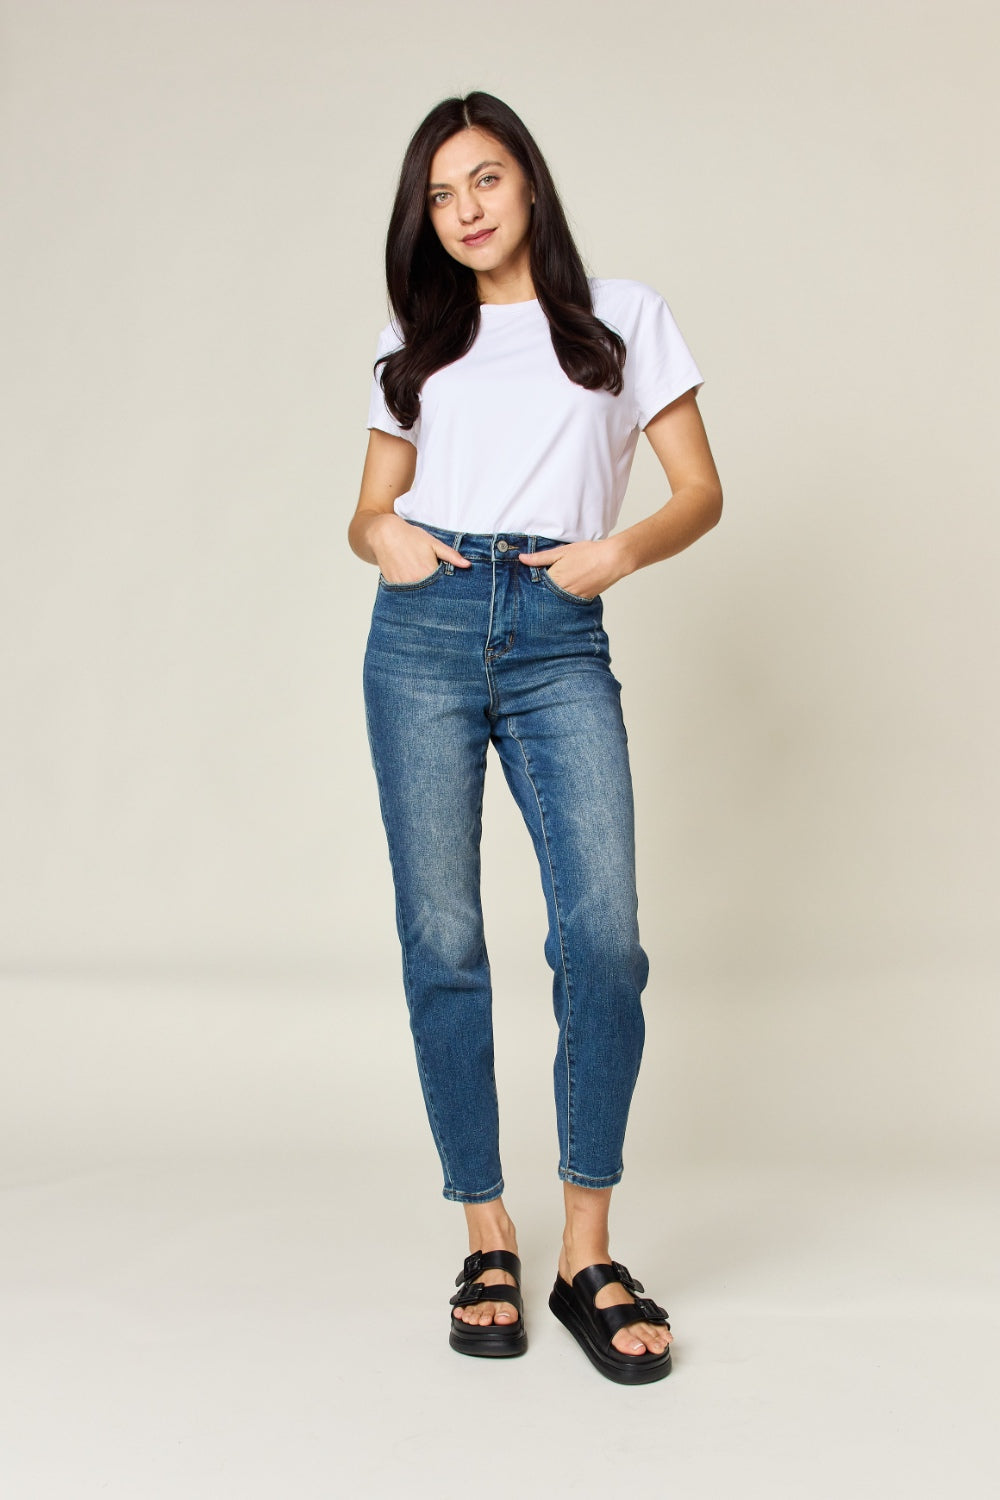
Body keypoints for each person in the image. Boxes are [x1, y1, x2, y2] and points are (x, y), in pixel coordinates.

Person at [349, 91, 722, 1386]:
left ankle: (585, 1249)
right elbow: (371, 512)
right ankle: (485, 1233)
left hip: (562, 629)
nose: (466, 211)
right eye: (442, 196)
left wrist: (614, 549)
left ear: (529, 183)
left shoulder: (621, 317)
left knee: (603, 940)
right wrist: (379, 535)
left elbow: (699, 489)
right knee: (444, 940)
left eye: (485, 180)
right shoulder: (417, 339)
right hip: (424, 637)